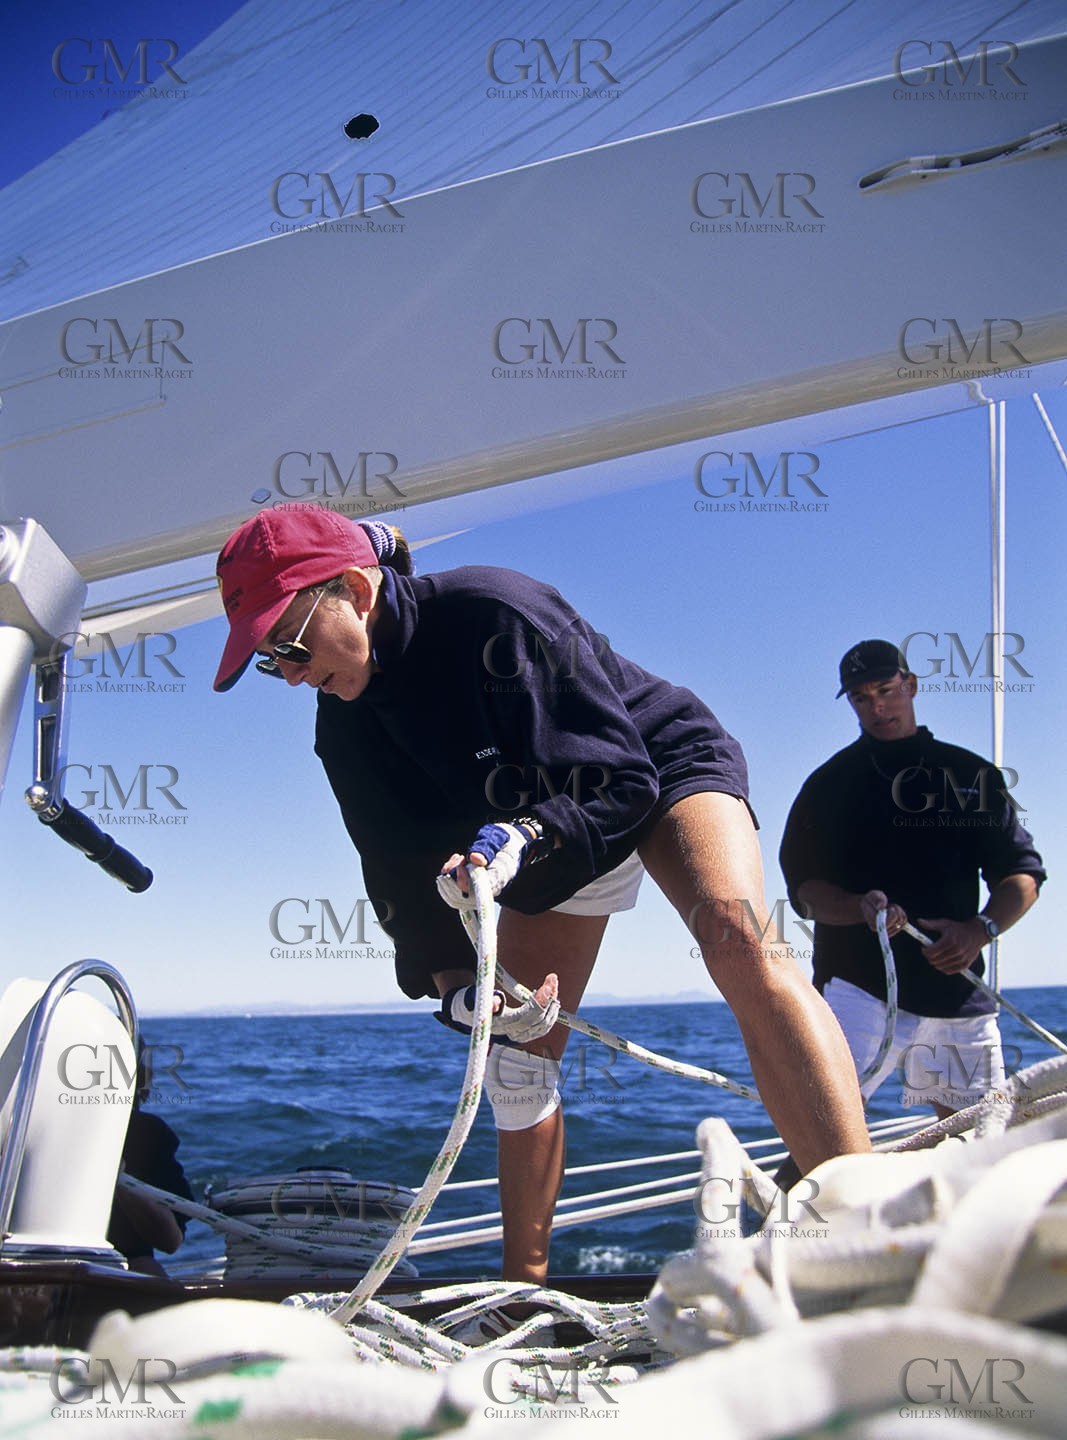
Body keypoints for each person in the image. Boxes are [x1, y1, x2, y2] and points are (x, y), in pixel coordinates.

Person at [214, 504, 871, 1299]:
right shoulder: (342, 724)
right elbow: (391, 866)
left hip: (652, 771)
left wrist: (524, 833)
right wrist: (458, 988)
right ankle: (521, 1293)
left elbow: (620, 779)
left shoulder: (497, 609)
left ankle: (864, 1237)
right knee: (515, 1064)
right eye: (267, 661)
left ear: (354, 587)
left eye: (289, 643)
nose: (286, 672)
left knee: (739, 944)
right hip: (530, 838)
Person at [780, 639, 1045, 1120]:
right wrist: (858, 906)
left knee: (976, 1142)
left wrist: (978, 930)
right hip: (860, 986)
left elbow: (1022, 874)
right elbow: (804, 891)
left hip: (957, 991)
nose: (876, 705)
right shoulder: (828, 786)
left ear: (912, 685)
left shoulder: (969, 774)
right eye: (861, 697)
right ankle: (800, 1198)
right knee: (822, 1127)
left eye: (886, 689)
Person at [108, 1044, 195, 1275]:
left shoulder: (147, 1133)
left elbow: (171, 1240)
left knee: (143, 1267)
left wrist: (121, 1184)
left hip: (122, 1269)